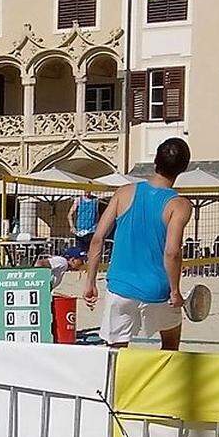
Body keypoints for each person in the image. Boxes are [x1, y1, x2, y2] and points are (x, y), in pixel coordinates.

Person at [83, 138, 193, 350]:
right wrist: (175, 291)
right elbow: (172, 253)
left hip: (120, 288)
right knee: (170, 347)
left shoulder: (124, 192)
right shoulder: (180, 205)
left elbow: (97, 239)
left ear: (155, 161)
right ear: (183, 168)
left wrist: (90, 282)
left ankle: (119, 384)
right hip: (158, 290)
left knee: (116, 352)